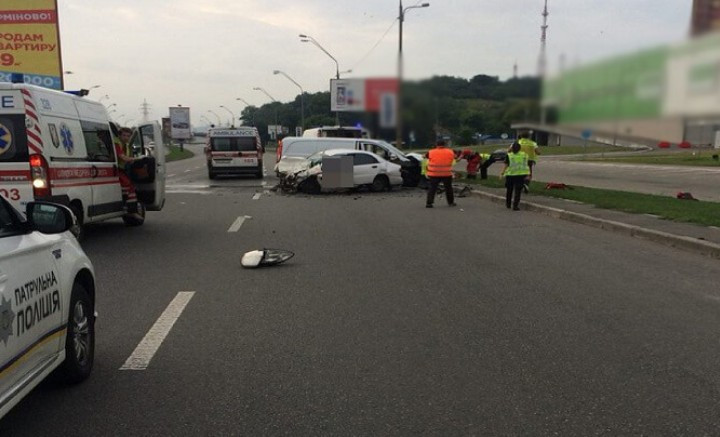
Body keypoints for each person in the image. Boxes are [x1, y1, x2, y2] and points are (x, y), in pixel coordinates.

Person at [115, 127, 140, 213]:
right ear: (119, 135)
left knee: (131, 187)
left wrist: (132, 160)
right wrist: (136, 159)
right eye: (124, 135)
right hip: (115, 169)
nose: (126, 138)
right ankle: (123, 203)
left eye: (128, 136)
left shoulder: (126, 145)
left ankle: (132, 209)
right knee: (126, 183)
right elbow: (123, 157)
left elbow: (127, 158)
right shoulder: (117, 143)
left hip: (122, 169)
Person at [425, 139, 456, 208]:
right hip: (446, 174)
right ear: (444, 144)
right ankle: (450, 202)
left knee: (432, 189)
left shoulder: (431, 152)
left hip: (434, 174)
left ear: (436, 144)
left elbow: (425, 157)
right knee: (448, 188)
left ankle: (429, 203)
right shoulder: (450, 151)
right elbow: (454, 158)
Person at [500, 142, 530, 211]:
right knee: (518, 191)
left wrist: (502, 173)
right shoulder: (524, 155)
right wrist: (528, 174)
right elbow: (526, 165)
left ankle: (508, 204)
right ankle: (515, 206)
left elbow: (506, 165)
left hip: (510, 175)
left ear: (512, 148)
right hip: (520, 175)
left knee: (509, 190)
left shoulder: (509, 155)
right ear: (520, 148)